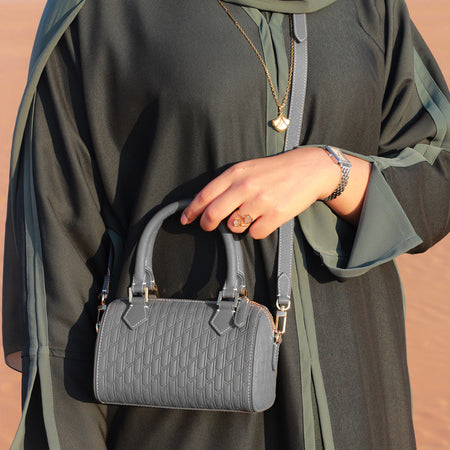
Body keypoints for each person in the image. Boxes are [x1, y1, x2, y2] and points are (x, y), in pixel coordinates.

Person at [2, 0, 449, 448]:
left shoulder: (370, 8)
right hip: (180, 411)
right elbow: (57, 270)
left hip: (353, 404)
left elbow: (439, 169)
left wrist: (332, 172)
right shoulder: (103, 13)